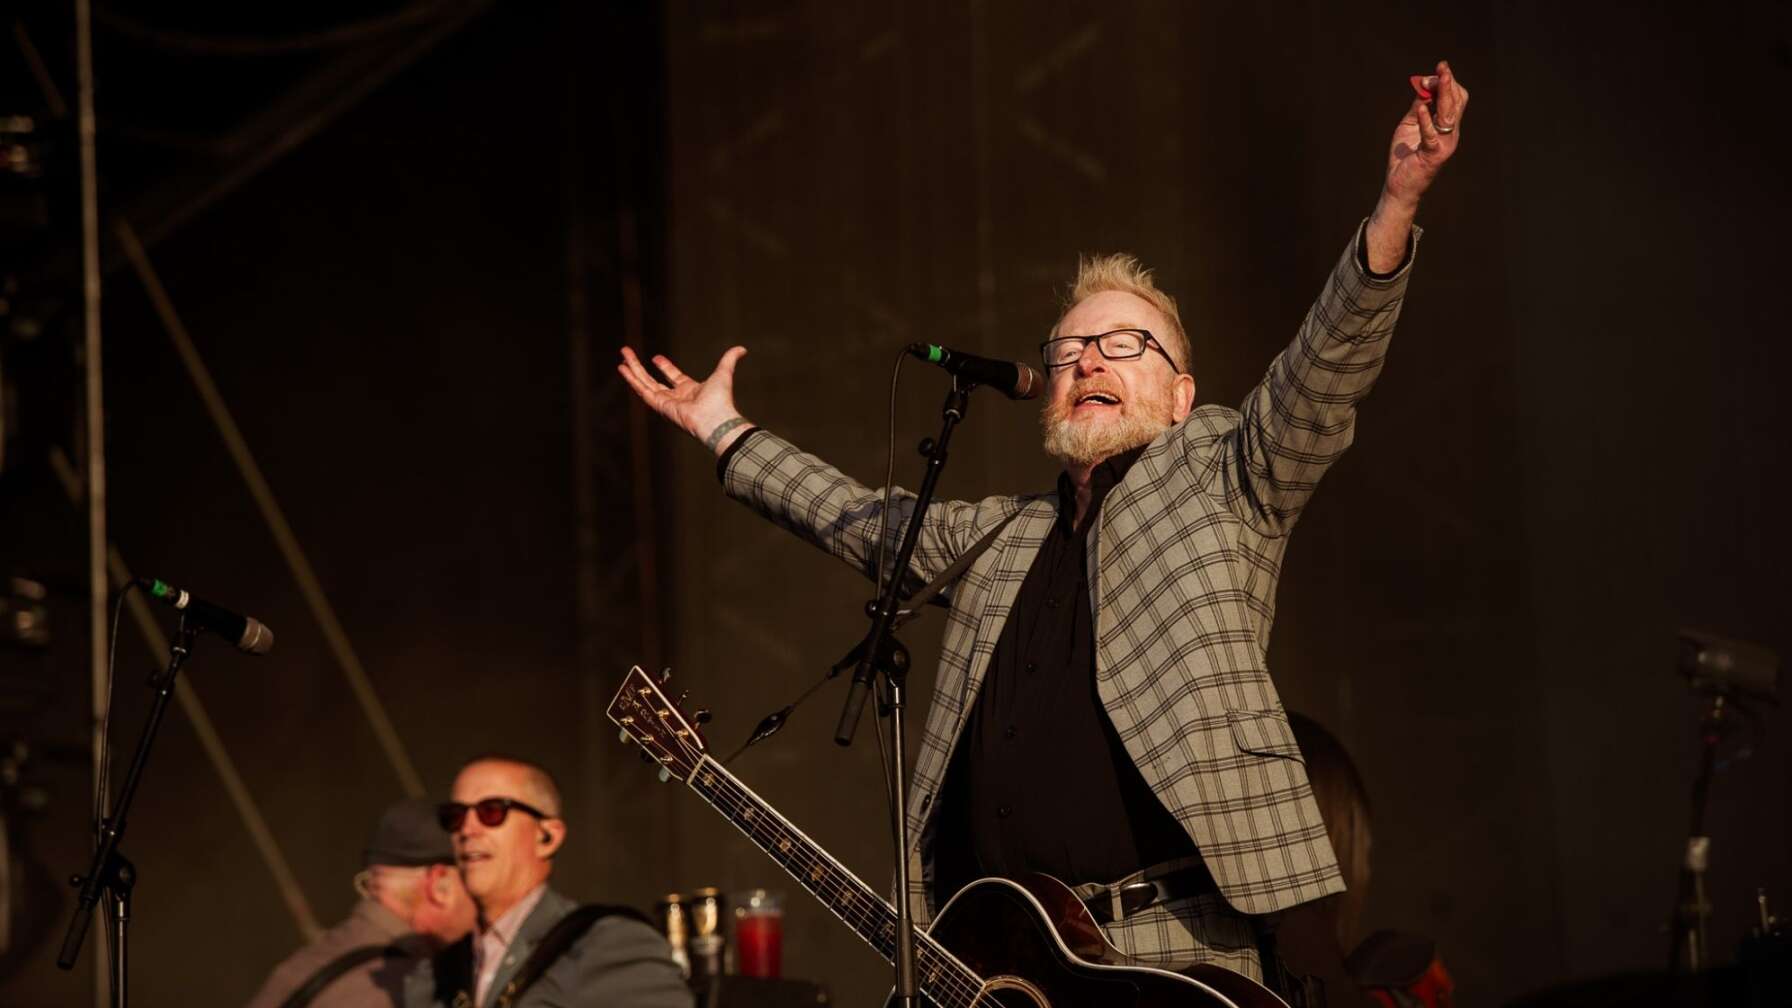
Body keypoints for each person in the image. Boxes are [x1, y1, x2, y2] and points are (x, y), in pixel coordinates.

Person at [618, 61, 1468, 991]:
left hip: (1179, 946)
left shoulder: (1225, 470)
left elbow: (1323, 370)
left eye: (1123, 344)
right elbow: (865, 521)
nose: (1089, 360)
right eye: (1068, 349)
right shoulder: (1000, 538)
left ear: (1182, 396)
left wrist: (1396, 202)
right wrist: (723, 431)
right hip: (1013, 962)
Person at [404, 756, 692, 1008]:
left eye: (491, 811)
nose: (466, 829)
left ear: (547, 837)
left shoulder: (609, 944)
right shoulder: (436, 976)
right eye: (454, 817)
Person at [247, 798, 477, 1008]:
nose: (483, 897)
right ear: (439, 886)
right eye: (474, 876)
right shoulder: (399, 989)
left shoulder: (311, 963)